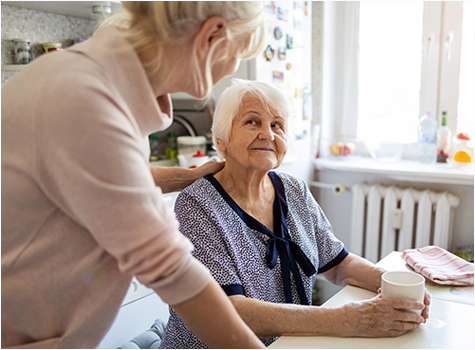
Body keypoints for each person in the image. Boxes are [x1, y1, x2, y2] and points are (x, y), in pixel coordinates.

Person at [1, 2, 267, 349]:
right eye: (239, 53)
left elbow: (117, 176)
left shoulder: (108, 84)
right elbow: (171, 269)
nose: (233, 66)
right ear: (212, 36)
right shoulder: (86, 100)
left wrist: (189, 176)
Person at [160, 79, 431, 348]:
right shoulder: (197, 206)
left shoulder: (293, 190)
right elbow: (229, 311)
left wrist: (391, 284)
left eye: (277, 125)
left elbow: (338, 263)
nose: (268, 134)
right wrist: (345, 319)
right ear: (221, 139)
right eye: (252, 122)